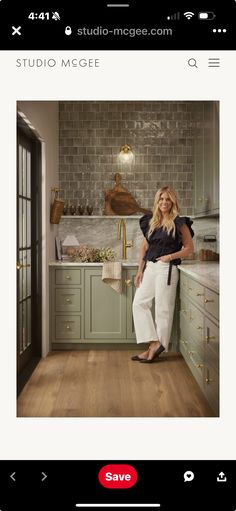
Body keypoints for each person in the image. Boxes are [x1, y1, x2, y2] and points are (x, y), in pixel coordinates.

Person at [132, 186, 194, 363]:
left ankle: (156, 347)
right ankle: (154, 342)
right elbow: (144, 247)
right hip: (150, 267)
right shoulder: (151, 221)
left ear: (173, 202)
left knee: (162, 309)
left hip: (167, 269)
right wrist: (139, 270)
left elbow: (189, 248)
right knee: (139, 303)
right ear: (157, 201)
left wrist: (170, 257)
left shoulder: (179, 222)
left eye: (167, 199)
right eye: (161, 199)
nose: (164, 202)